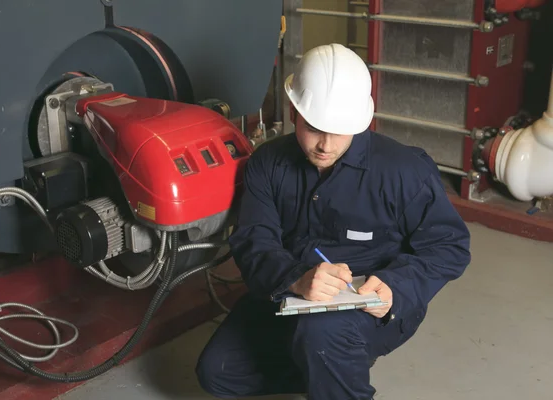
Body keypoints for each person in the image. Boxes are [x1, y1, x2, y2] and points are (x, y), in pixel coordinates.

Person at [195, 43, 471, 400]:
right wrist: (294, 278)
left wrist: (396, 287)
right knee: (217, 372)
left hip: (374, 302)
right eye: (313, 127)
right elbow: (254, 240)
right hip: (292, 291)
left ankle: (336, 363)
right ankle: (328, 367)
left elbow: (449, 246)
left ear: (362, 120)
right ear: (294, 111)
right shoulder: (268, 164)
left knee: (321, 335)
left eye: (339, 130)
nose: (325, 145)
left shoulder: (404, 171)